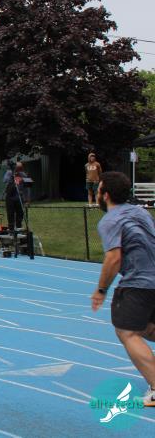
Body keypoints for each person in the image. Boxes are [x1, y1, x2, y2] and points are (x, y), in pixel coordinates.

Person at [90, 171, 155, 408]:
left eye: (98, 189)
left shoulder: (110, 220)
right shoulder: (141, 212)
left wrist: (101, 290)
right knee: (147, 327)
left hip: (139, 282)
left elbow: (114, 258)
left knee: (126, 331)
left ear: (105, 195)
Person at [2, 162, 30, 230]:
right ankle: (11, 228)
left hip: (19, 196)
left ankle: (19, 226)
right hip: (10, 196)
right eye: (17, 168)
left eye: (20, 169)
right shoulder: (9, 172)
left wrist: (27, 199)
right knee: (10, 213)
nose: (18, 170)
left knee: (20, 213)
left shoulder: (23, 174)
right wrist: (12, 175)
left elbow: (28, 186)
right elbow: (5, 180)